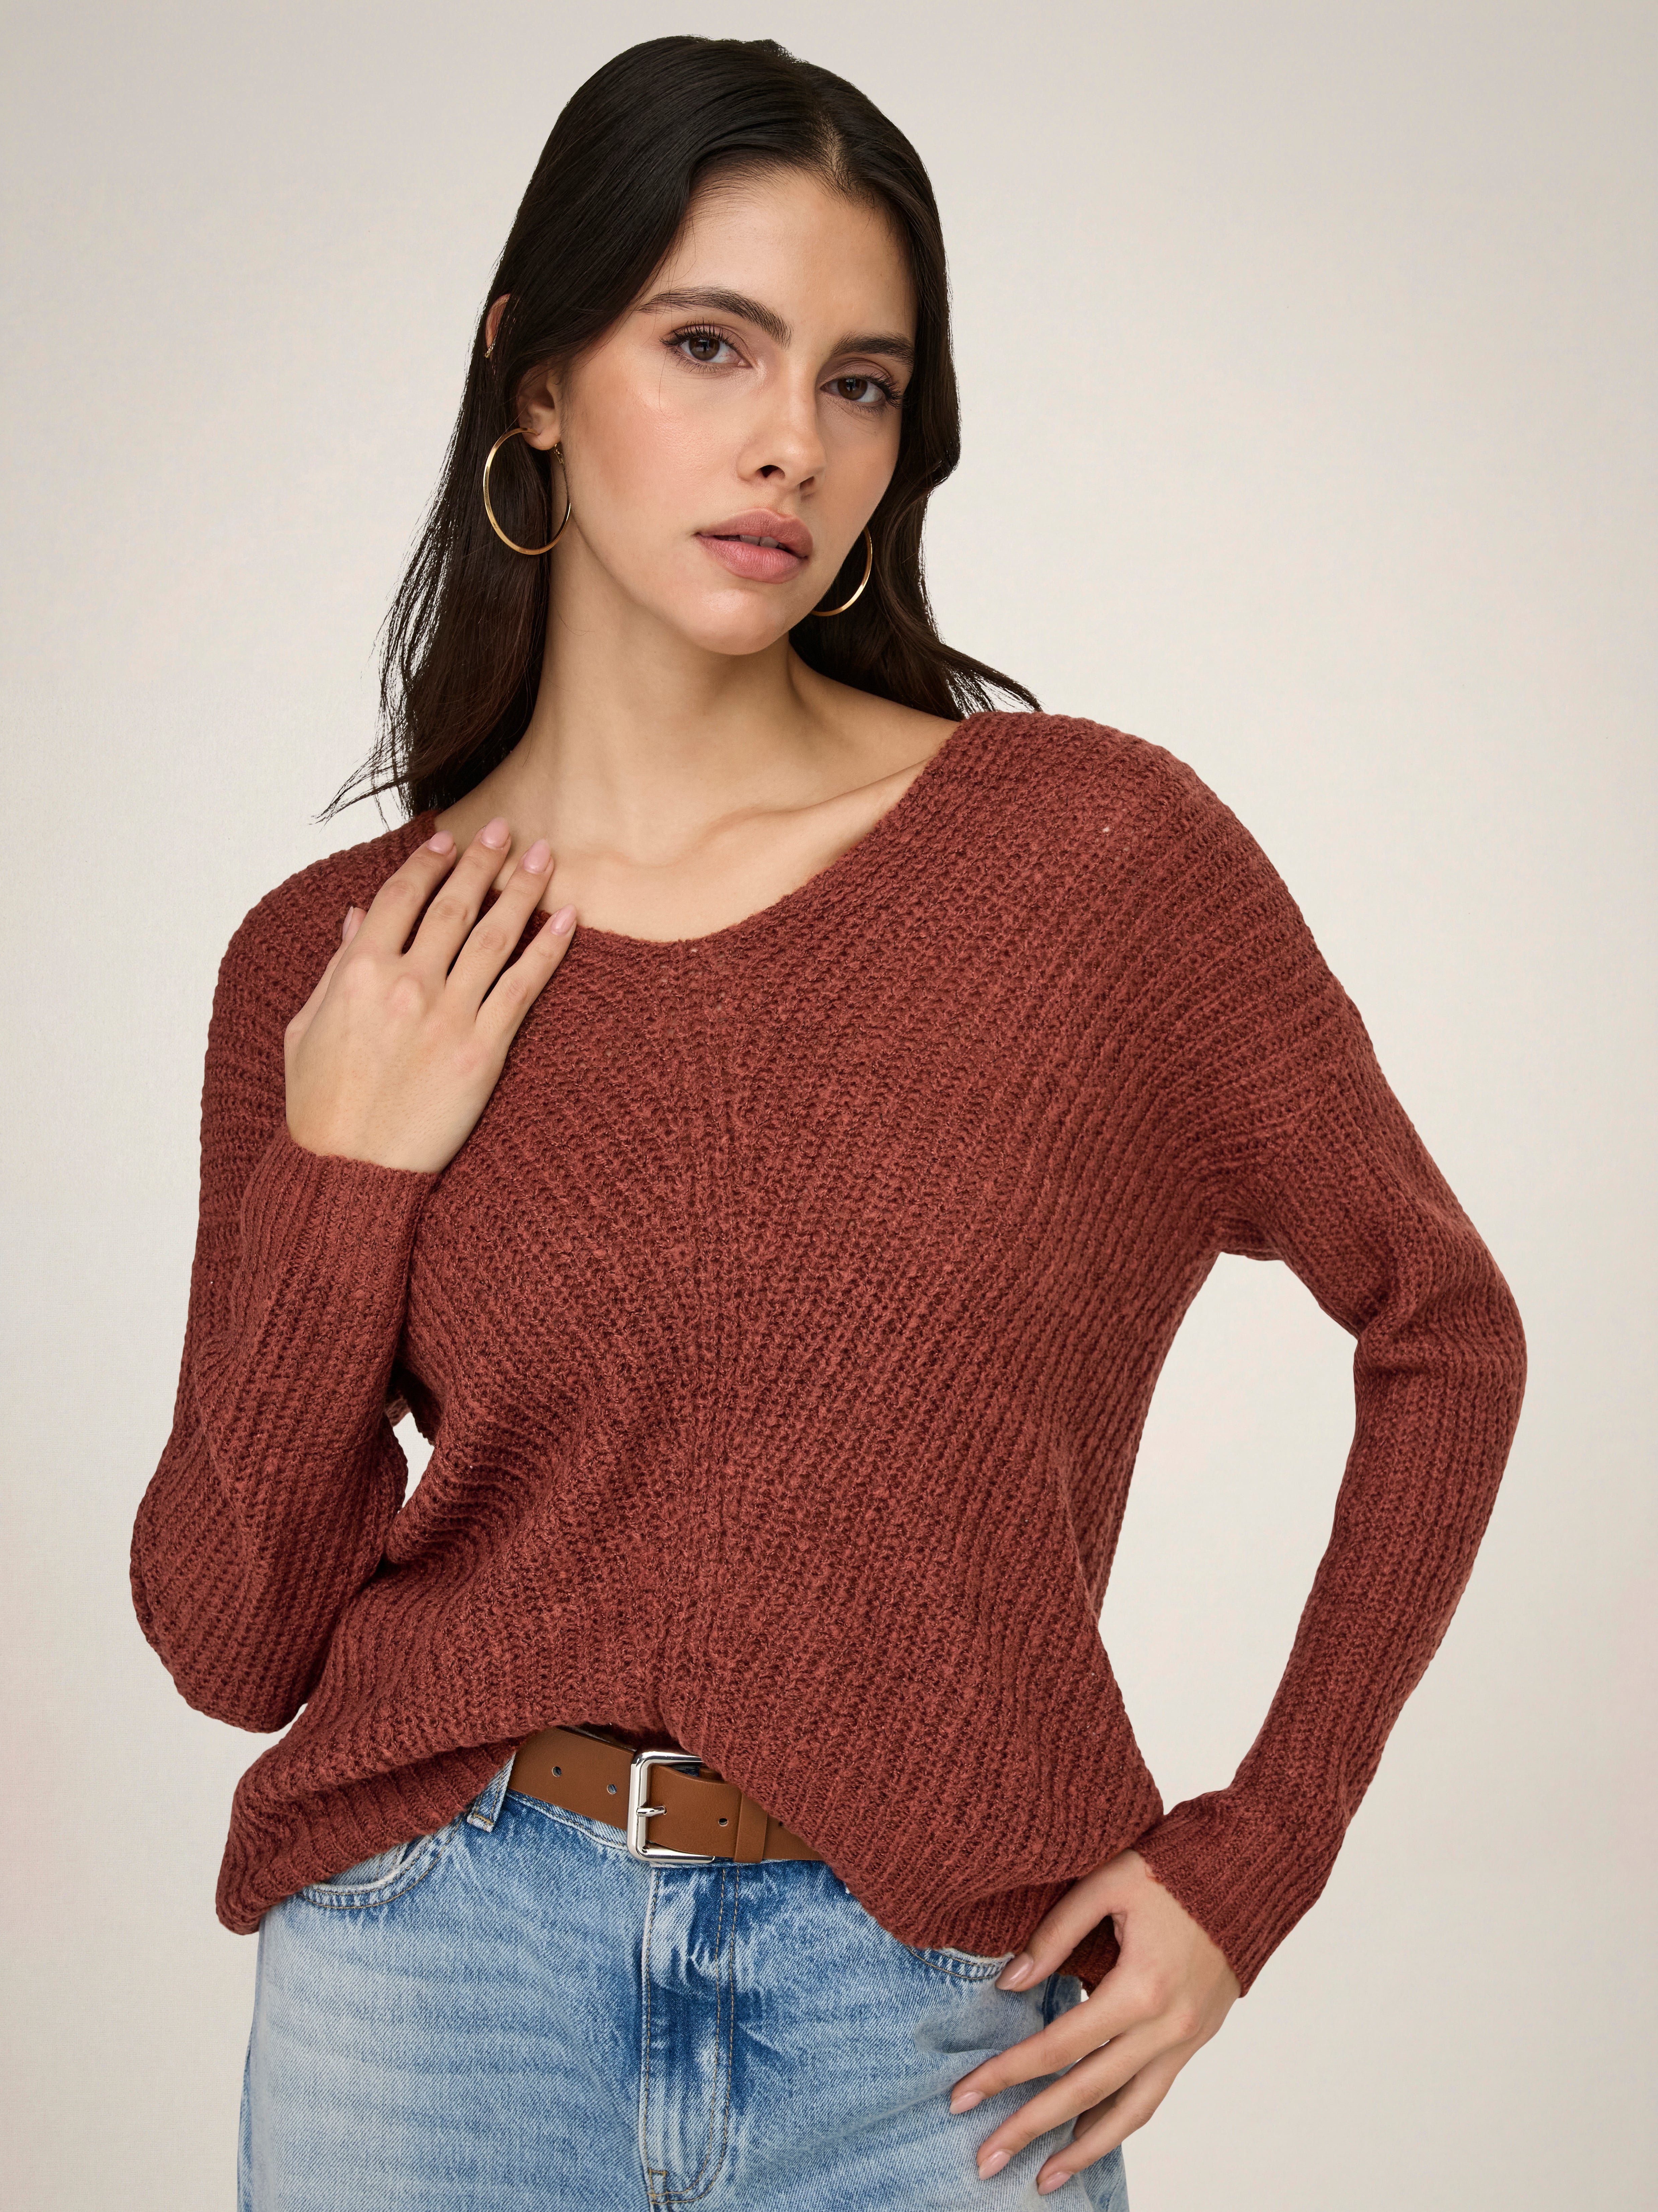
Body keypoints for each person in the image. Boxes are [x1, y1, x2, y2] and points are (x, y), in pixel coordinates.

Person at [130, 32, 1528, 2212]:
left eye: (859, 382)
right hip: (436, 1988)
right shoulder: (341, 960)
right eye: (710, 345)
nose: (790, 439)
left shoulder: (1090, 860)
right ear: (534, 378)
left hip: (941, 2018)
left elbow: (1440, 1325)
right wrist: (347, 1171)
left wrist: (1255, 1854)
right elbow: (234, 1640)